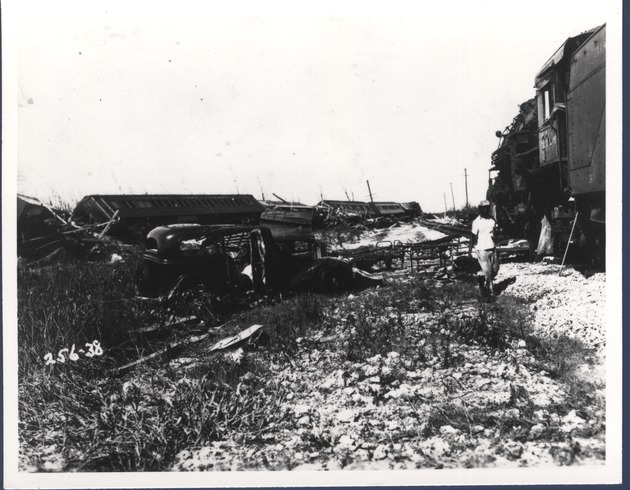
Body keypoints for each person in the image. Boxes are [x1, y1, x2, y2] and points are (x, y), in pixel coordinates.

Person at [471, 200, 500, 295]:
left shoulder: (492, 220)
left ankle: (481, 279)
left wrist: (497, 232)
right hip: (481, 248)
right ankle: (491, 291)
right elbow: (472, 236)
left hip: (492, 247)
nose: (486, 210)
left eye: (487, 208)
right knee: (488, 271)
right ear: (480, 209)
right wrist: (469, 251)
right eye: (483, 208)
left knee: (495, 270)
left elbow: (496, 233)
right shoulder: (476, 222)